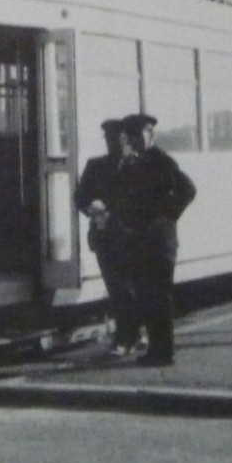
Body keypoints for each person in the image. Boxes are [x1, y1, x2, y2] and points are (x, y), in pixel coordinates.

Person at [115, 113, 197, 367]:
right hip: (138, 240)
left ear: (151, 135)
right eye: (131, 137)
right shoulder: (130, 164)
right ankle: (155, 349)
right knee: (145, 296)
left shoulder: (163, 161)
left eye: (140, 135)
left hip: (160, 241)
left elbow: (188, 189)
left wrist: (166, 217)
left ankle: (164, 351)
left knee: (159, 297)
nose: (136, 140)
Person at [75, 119, 138, 354]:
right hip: (105, 236)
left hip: (133, 236)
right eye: (110, 139)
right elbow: (80, 196)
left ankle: (128, 336)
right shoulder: (95, 166)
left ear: (127, 139)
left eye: (119, 138)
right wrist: (91, 206)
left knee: (131, 288)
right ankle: (127, 335)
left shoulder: (138, 165)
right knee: (116, 288)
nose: (115, 143)